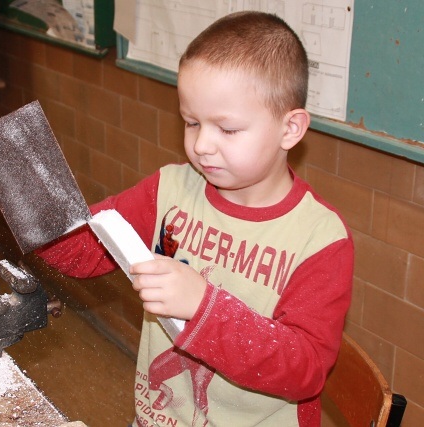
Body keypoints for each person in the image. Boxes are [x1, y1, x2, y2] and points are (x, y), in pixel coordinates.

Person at [37, 11, 353, 427]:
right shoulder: (169, 191)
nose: (202, 144)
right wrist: (33, 206)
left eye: (228, 129)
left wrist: (204, 307)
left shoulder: (320, 239)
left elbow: (304, 371)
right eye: (191, 122)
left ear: (290, 128)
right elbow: (81, 252)